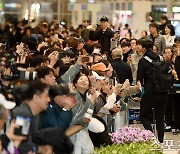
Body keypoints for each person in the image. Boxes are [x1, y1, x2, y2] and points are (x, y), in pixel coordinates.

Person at [137, 40, 168, 143]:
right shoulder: (161, 58)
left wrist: (138, 92)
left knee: (144, 116)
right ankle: (161, 141)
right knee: (160, 116)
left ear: (144, 48)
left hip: (150, 92)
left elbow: (139, 79)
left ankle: (151, 137)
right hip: (163, 91)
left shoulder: (143, 61)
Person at [12, 81, 53, 154]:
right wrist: (41, 150)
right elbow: (21, 144)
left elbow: (34, 138)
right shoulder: (23, 115)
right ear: (36, 98)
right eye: (46, 96)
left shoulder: (35, 114)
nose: (49, 100)